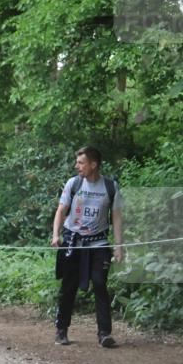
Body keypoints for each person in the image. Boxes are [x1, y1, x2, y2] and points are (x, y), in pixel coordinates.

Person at [51, 145, 124, 347]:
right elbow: (61, 210)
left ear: (94, 164)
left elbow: (116, 218)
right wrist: (56, 234)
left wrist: (119, 246)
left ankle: (104, 334)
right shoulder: (73, 184)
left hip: (99, 243)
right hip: (74, 242)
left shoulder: (110, 187)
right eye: (77, 162)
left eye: (81, 162)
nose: (77, 166)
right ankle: (61, 330)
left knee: (100, 284)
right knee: (69, 286)